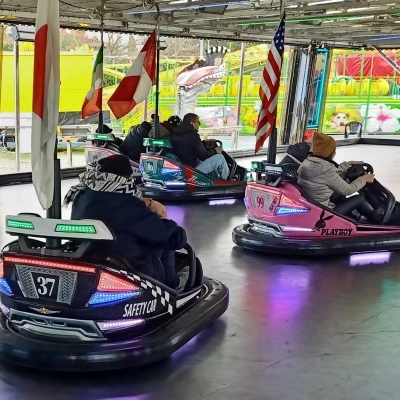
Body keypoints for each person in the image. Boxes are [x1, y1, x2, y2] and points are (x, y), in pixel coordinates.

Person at [64, 155, 189, 291]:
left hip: (88, 257)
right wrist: (166, 223)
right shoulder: (127, 203)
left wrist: (147, 203)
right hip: (125, 268)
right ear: (128, 178)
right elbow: (174, 238)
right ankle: (172, 286)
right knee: (166, 240)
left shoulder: (81, 196)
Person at [297, 132, 381, 223]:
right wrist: (364, 179)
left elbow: (332, 171)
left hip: (313, 204)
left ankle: (350, 217)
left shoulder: (308, 162)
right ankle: (377, 219)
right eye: (334, 150)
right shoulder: (326, 170)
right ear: (330, 152)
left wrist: (349, 164)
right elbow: (348, 190)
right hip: (324, 211)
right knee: (359, 199)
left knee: (339, 193)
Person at [171, 113, 230, 180]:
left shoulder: (177, 132)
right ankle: (227, 181)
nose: (199, 124)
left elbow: (188, 145)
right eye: (198, 121)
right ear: (192, 123)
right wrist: (215, 150)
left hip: (184, 166)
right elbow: (203, 156)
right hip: (192, 170)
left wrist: (204, 142)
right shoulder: (192, 134)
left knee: (213, 157)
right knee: (220, 158)